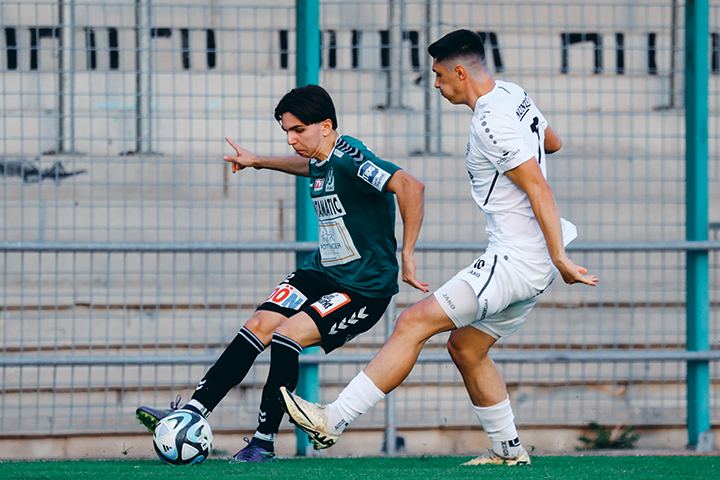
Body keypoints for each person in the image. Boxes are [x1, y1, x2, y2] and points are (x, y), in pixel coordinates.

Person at [278, 30, 598, 466]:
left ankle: (334, 418)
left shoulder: (490, 119)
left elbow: (538, 188)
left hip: (516, 260)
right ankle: (508, 451)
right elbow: (552, 142)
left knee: (413, 321)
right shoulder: (513, 95)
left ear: (460, 72)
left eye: (438, 74)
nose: (435, 83)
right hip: (531, 261)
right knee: (466, 348)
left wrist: (561, 257)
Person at [135, 84, 428, 463]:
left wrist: (407, 254)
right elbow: (310, 167)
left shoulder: (351, 157)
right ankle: (192, 413)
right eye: (286, 132)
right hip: (322, 272)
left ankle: (263, 442)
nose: (291, 140)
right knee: (259, 324)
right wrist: (260, 161)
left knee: (287, 335)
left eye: (298, 131)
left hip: (363, 288)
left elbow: (410, 186)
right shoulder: (322, 158)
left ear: (325, 125)